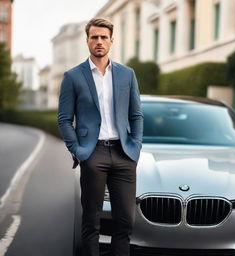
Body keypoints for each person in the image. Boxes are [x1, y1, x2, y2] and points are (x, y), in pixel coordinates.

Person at [58, 18, 143, 256]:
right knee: (91, 221)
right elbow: (64, 119)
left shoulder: (127, 75)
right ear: (87, 40)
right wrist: (78, 150)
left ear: (111, 41)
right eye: (94, 37)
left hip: (124, 154)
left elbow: (136, 115)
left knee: (125, 221)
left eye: (103, 37)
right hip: (92, 153)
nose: (99, 42)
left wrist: (135, 147)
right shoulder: (73, 76)